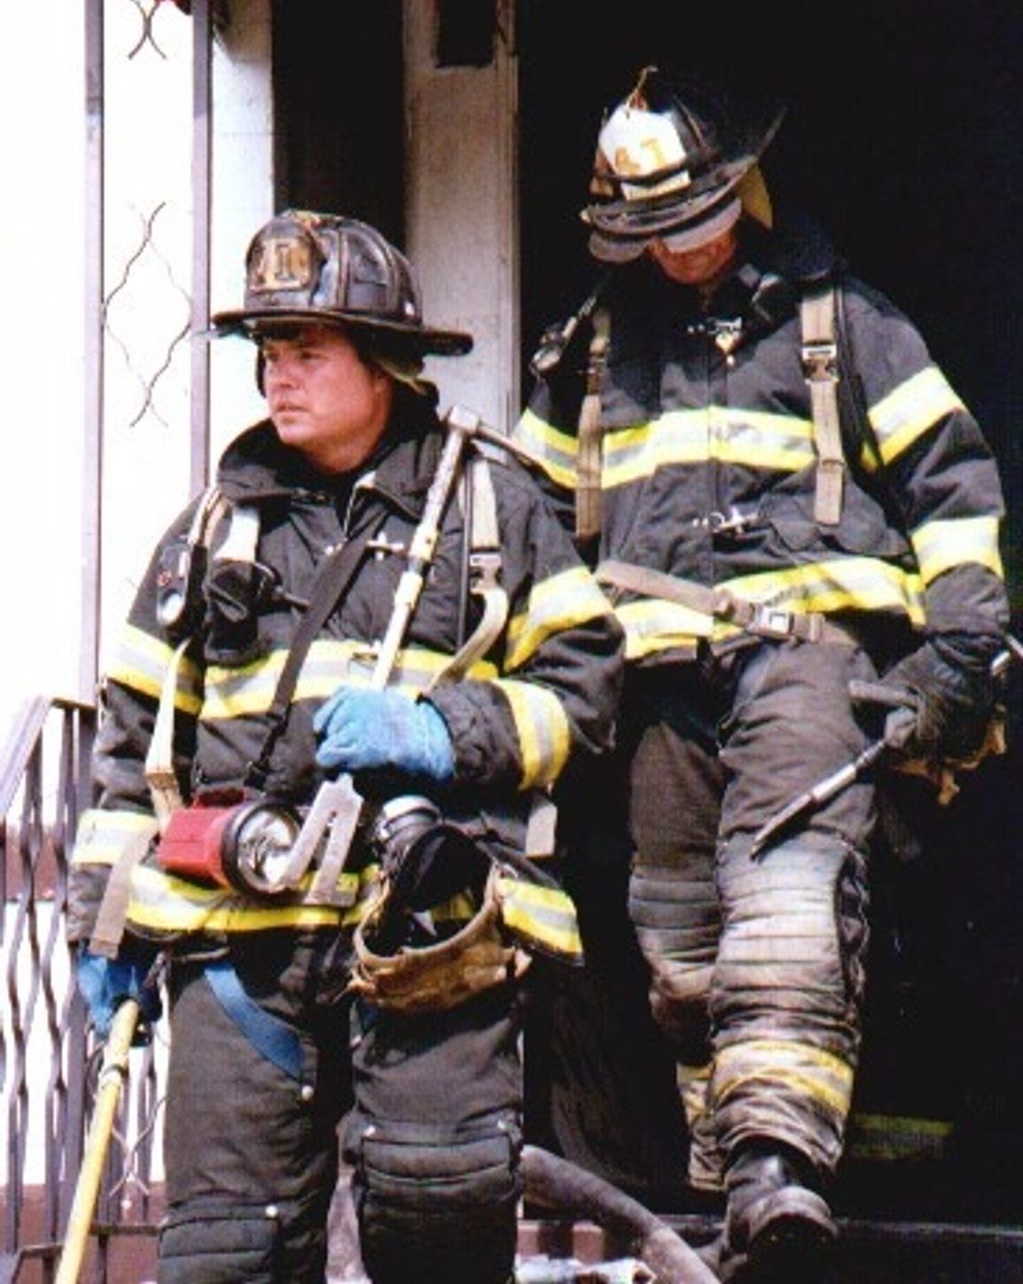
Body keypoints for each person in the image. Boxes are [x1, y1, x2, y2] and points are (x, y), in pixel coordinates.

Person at [513, 66, 1010, 1281]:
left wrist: (961, 648)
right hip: (657, 685)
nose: (674, 251)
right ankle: (724, 1173)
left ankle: (780, 1173)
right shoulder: (589, 350)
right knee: (679, 935)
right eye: (649, 231)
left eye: (689, 219)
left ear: (745, 193)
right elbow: (522, 528)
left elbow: (954, 493)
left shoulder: (851, 326)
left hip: (809, 663)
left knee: (784, 902)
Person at [67, 208, 624, 1284]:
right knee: (226, 1251)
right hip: (240, 951)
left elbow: (588, 689)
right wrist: (105, 923)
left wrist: (439, 733)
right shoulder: (208, 532)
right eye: (269, 353)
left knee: (437, 1225)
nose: (280, 376)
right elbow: (131, 743)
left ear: (386, 364)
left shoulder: (490, 505)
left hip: (430, 935)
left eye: (308, 350)